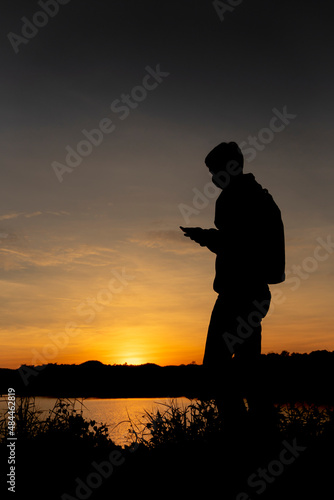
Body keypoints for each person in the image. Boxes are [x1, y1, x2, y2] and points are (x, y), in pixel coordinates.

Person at [180, 141, 285, 432]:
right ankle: (261, 434)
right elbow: (243, 244)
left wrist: (205, 236)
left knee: (216, 367)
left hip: (238, 293)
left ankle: (237, 434)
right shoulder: (260, 196)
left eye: (215, 170)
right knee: (248, 369)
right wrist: (209, 237)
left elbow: (237, 245)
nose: (213, 177)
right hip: (255, 294)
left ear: (230, 167)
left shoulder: (235, 197)